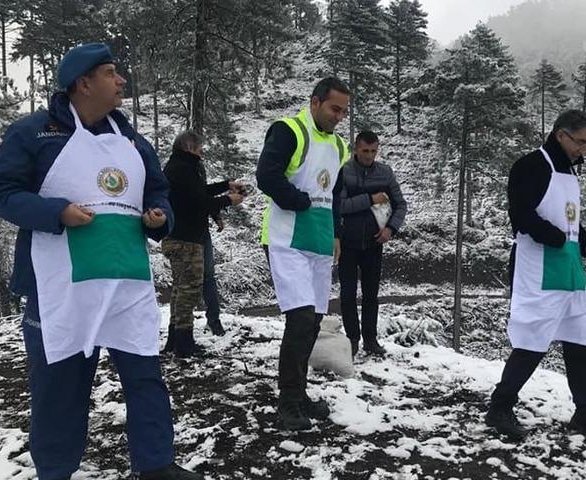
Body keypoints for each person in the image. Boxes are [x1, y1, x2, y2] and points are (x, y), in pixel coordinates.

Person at [0, 43, 203, 479]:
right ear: (83, 83)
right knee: (59, 388)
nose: (121, 80)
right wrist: (56, 213)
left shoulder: (132, 140)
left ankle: (157, 464)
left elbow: (158, 192)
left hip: (127, 281)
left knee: (145, 378)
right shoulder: (33, 133)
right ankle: (55, 470)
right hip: (61, 287)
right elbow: (2, 193)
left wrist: (159, 218)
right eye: (110, 73)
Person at [485, 110, 586, 444]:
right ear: (561, 135)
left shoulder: (570, 172)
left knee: (579, 343)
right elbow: (521, 216)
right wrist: (561, 239)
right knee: (532, 342)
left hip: (569, 272)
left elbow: (568, 221)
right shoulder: (531, 166)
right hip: (538, 268)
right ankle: (500, 407)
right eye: (580, 142)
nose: (584, 150)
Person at [256, 77, 350, 431]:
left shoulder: (340, 146)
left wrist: (337, 233)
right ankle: (288, 403)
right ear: (315, 102)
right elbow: (266, 176)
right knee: (299, 319)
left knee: (311, 323)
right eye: (334, 109)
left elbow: (336, 194)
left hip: (321, 242)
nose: (339, 116)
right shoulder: (289, 130)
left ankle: (300, 394)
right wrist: (298, 201)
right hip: (287, 239)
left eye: (343, 111)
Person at [161, 131, 243, 357]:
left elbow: (198, 193)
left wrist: (225, 185)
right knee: (188, 292)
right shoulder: (184, 169)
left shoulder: (180, 167)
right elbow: (201, 202)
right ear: (189, 147)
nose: (202, 152)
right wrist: (229, 200)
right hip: (186, 239)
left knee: (180, 290)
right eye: (200, 149)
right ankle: (184, 346)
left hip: (180, 236)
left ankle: (174, 340)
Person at [338, 130, 407, 357]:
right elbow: (340, 206)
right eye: (365, 151)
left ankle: (370, 339)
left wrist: (390, 229)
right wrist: (369, 199)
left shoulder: (385, 173)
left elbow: (400, 205)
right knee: (347, 295)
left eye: (374, 151)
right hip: (347, 244)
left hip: (374, 244)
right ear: (356, 149)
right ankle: (352, 340)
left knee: (371, 295)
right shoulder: (344, 171)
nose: (369, 155)